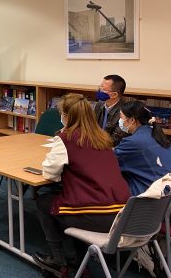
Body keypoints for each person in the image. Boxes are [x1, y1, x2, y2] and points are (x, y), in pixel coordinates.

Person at [34, 93, 130, 276]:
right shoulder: (103, 138)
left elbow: (49, 173)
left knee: (43, 202)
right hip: (122, 214)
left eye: (62, 113)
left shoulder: (66, 139)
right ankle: (77, 257)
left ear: (68, 116)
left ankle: (57, 260)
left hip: (95, 215)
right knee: (70, 201)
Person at [114, 100, 171, 196]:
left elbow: (110, 162)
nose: (119, 121)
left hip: (152, 198)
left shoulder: (133, 142)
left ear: (132, 120)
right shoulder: (157, 135)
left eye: (121, 117)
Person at [93, 74, 128, 145]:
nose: (99, 90)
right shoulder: (99, 105)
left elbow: (115, 139)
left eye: (103, 89)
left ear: (114, 95)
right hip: (96, 143)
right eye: (100, 87)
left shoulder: (126, 112)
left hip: (110, 148)